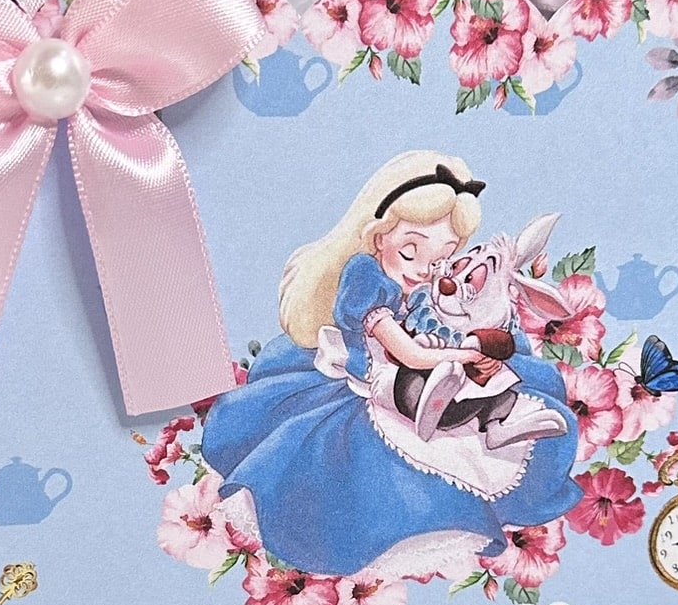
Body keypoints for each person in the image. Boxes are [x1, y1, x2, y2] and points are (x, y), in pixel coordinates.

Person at [201, 150, 582, 578]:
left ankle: (497, 419)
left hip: (416, 362)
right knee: (405, 400)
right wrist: (460, 355)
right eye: (410, 250)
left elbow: (427, 328)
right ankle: (439, 404)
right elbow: (408, 353)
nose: (423, 270)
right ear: (379, 235)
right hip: (379, 375)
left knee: (498, 380)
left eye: (439, 257)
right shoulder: (365, 281)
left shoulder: (415, 283)